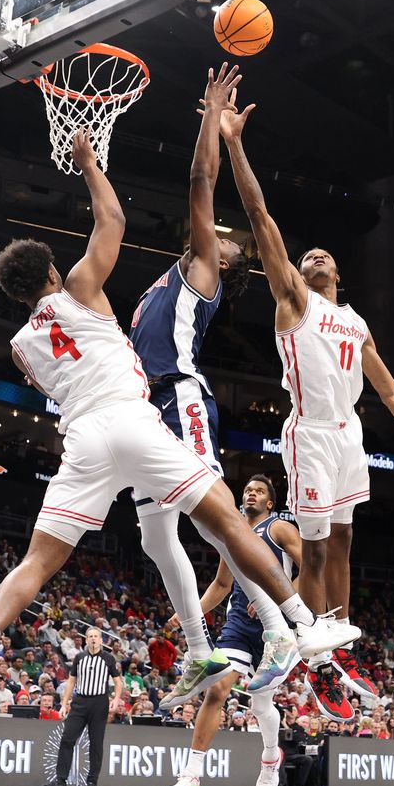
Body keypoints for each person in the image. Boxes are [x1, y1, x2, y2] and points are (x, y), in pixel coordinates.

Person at [0, 127, 357, 725]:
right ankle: (292, 626)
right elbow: (112, 218)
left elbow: (200, 192)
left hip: (94, 433)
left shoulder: (22, 346)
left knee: (40, 560)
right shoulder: (83, 287)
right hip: (137, 417)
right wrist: (87, 162)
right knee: (216, 523)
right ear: (53, 271)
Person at [220, 88, 394, 717]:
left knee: (341, 544)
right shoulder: (295, 302)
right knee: (310, 548)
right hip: (308, 432)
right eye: (306, 255)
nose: (313, 256)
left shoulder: (355, 321)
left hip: (349, 436)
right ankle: (302, 636)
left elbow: (392, 393)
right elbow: (260, 217)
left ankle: (333, 641)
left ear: (338, 272)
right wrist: (234, 142)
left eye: (322, 254)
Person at [125, 64, 253, 704]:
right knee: (155, 534)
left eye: (223, 239)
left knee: (212, 518)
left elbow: (200, 182)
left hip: (181, 397)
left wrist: (211, 116)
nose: (215, 234)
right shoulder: (162, 281)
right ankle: (202, 654)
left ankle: (280, 624)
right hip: (147, 411)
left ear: (222, 260)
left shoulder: (205, 268)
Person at [166, 474, 301, 786]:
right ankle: (192, 775)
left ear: (270, 502)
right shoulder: (232, 534)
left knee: (260, 703)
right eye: (247, 490)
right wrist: (189, 613)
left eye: (258, 491)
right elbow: (222, 586)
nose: (251, 494)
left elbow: (311, 568)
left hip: (277, 629)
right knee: (217, 690)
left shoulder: (280, 529)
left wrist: (284, 600)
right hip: (239, 622)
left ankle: (271, 755)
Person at [43, 627, 123, 786]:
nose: (93, 639)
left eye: (96, 636)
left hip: (99, 703)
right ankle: (60, 781)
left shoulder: (108, 658)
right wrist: (64, 704)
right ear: (86, 640)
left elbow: (118, 682)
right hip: (80, 702)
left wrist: (115, 699)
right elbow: (71, 682)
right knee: (67, 738)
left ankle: (92, 782)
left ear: (101, 640)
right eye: (90, 636)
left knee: (96, 743)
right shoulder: (79, 657)